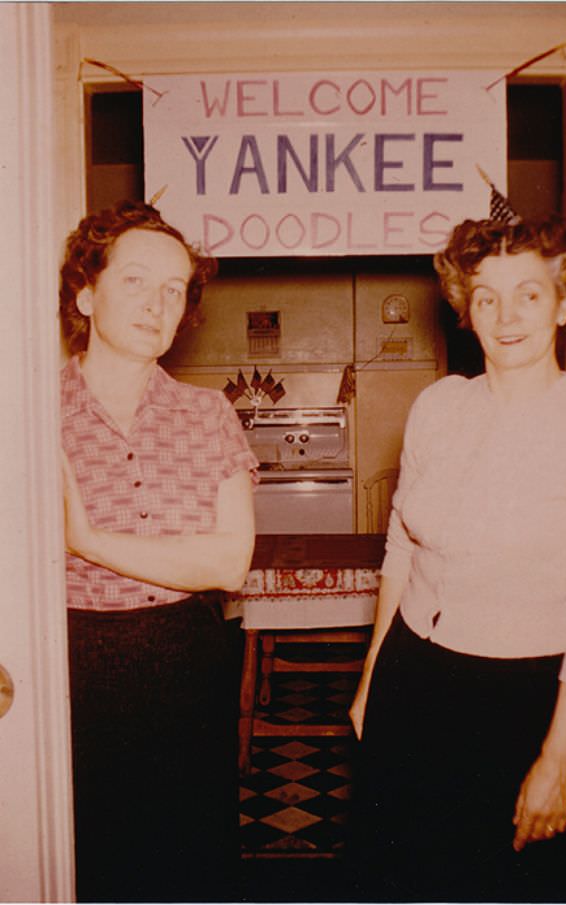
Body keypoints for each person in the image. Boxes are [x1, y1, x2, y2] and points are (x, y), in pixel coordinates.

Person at [348, 216, 566, 903]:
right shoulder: (439, 405)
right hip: (411, 676)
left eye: (528, 294)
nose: (505, 316)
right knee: (400, 880)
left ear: (564, 304)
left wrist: (558, 760)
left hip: (518, 702)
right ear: (465, 306)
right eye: (486, 295)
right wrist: (372, 675)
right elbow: (402, 548)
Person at [59, 200, 258, 903]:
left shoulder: (209, 414)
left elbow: (229, 562)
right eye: (138, 280)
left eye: (176, 289)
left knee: (189, 861)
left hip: (185, 656)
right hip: (71, 663)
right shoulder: (29, 411)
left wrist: (84, 540)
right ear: (87, 291)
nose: (159, 303)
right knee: (85, 858)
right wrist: (178, 549)